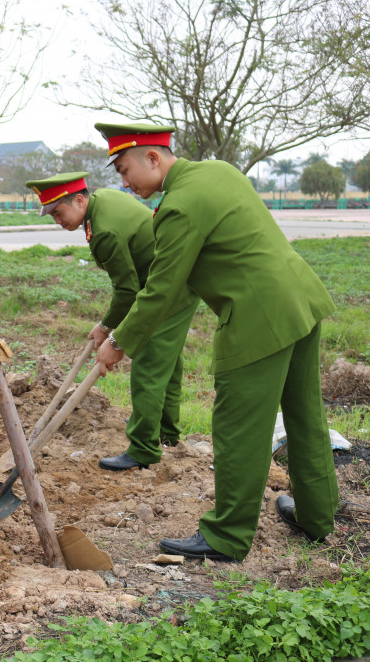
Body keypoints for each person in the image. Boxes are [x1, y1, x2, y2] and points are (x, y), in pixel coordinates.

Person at [92, 122, 338, 561]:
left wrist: (119, 341)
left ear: (153, 158)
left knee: (238, 427)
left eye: (125, 170)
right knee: (305, 416)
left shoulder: (178, 207)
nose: (124, 184)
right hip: (299, 298)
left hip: (258, 319)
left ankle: (226, 536)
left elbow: (161, 290)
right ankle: (317, 516)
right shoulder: (219, 170)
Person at [25, 172, 198, 471]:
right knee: (167, 359)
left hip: (168, 287)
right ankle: (165, 433)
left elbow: (127, 291)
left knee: (149, 363)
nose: (57, 221)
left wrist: (109, 330)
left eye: (58, 213)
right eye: (52, 216)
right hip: (175, 280)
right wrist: (105, 327)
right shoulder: (102, 200)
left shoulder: (103, 231)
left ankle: (144, 449)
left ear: (79, 201)